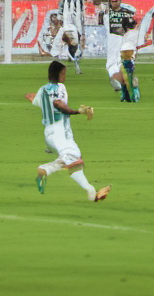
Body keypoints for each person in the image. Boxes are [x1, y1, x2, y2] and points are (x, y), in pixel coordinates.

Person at [24, 60, 110, 202]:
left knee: (75, 160)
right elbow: (58, 104)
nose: (65, 76)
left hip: (49, 134)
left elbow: (31, 97)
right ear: (58, 74)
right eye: (64, 73)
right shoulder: (60, 87)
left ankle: (91, 192)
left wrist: (34, 97)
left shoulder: (43, 90)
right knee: (73, 156)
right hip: (59, 132)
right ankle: (46, 169)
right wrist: (78, 111)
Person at [100, 0, 140, 102]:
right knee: (114, 69)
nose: (114, 3)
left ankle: (132, 89)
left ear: (120, 1)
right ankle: (125, 88)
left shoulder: (126, 13)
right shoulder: (106, 14)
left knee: (125, 67)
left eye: (116, 1)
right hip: (112, 45)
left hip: (124, 43)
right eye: (112, 1)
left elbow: (133, 28)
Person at [56, 0, 86, 74]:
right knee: (67, 39)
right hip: (67, 20)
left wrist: (82, 27)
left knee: (76, 40)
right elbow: (60, 9)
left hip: (77, 21)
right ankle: (67, 59)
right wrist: (60, 20)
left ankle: (75, 60)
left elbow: (82, 11)